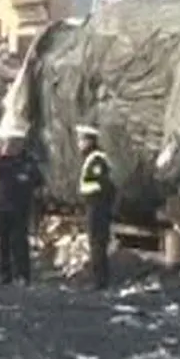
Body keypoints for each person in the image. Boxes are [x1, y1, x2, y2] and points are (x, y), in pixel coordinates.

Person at [0, 129, 40, 285]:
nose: (11, 147)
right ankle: (5, 274)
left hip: (20, 208)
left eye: (14, 144)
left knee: (19, 242)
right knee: (3, 242)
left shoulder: (28, 162)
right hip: (3, 207)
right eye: (9, 144)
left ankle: (22, 274)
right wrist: (0, 154)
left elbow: (37, 181)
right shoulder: (2, 161)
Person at [76, 124, 115, 290]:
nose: (79, 143)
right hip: (93, 205)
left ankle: (100, 280)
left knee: (98, 243)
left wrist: (85, 192)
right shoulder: (90, 159)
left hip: (98, 207)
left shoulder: (97, 159)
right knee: (95, 243)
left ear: (88, 141)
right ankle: (98, 277)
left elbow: (101, 185)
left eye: (81, 140)